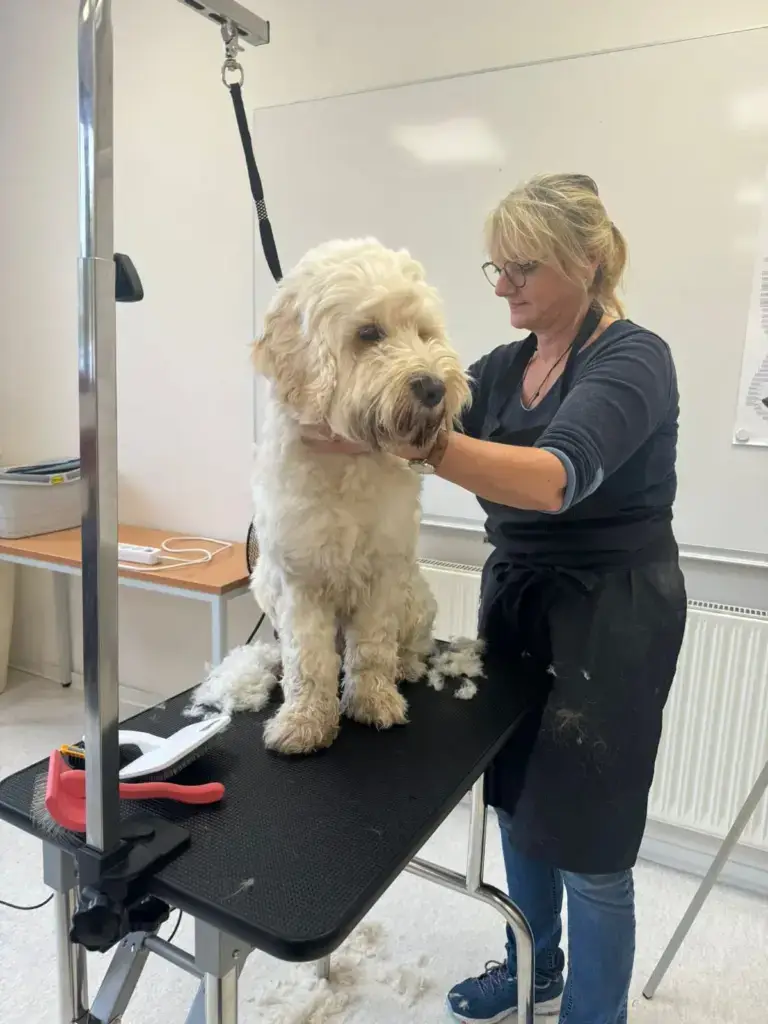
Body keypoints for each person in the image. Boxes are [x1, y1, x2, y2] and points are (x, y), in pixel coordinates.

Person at [302, 172, 687, 1024]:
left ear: (586, 262)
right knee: (514, 805)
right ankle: (531, 970)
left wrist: (420, 444)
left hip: (613, 612)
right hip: (517, 598)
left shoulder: (633, 359)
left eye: (523, 267)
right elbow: (402, 408)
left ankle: (595, 1012)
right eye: (496, 268)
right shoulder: (503, 368)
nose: (503, 285)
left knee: (591, 842)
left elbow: (554, 479)